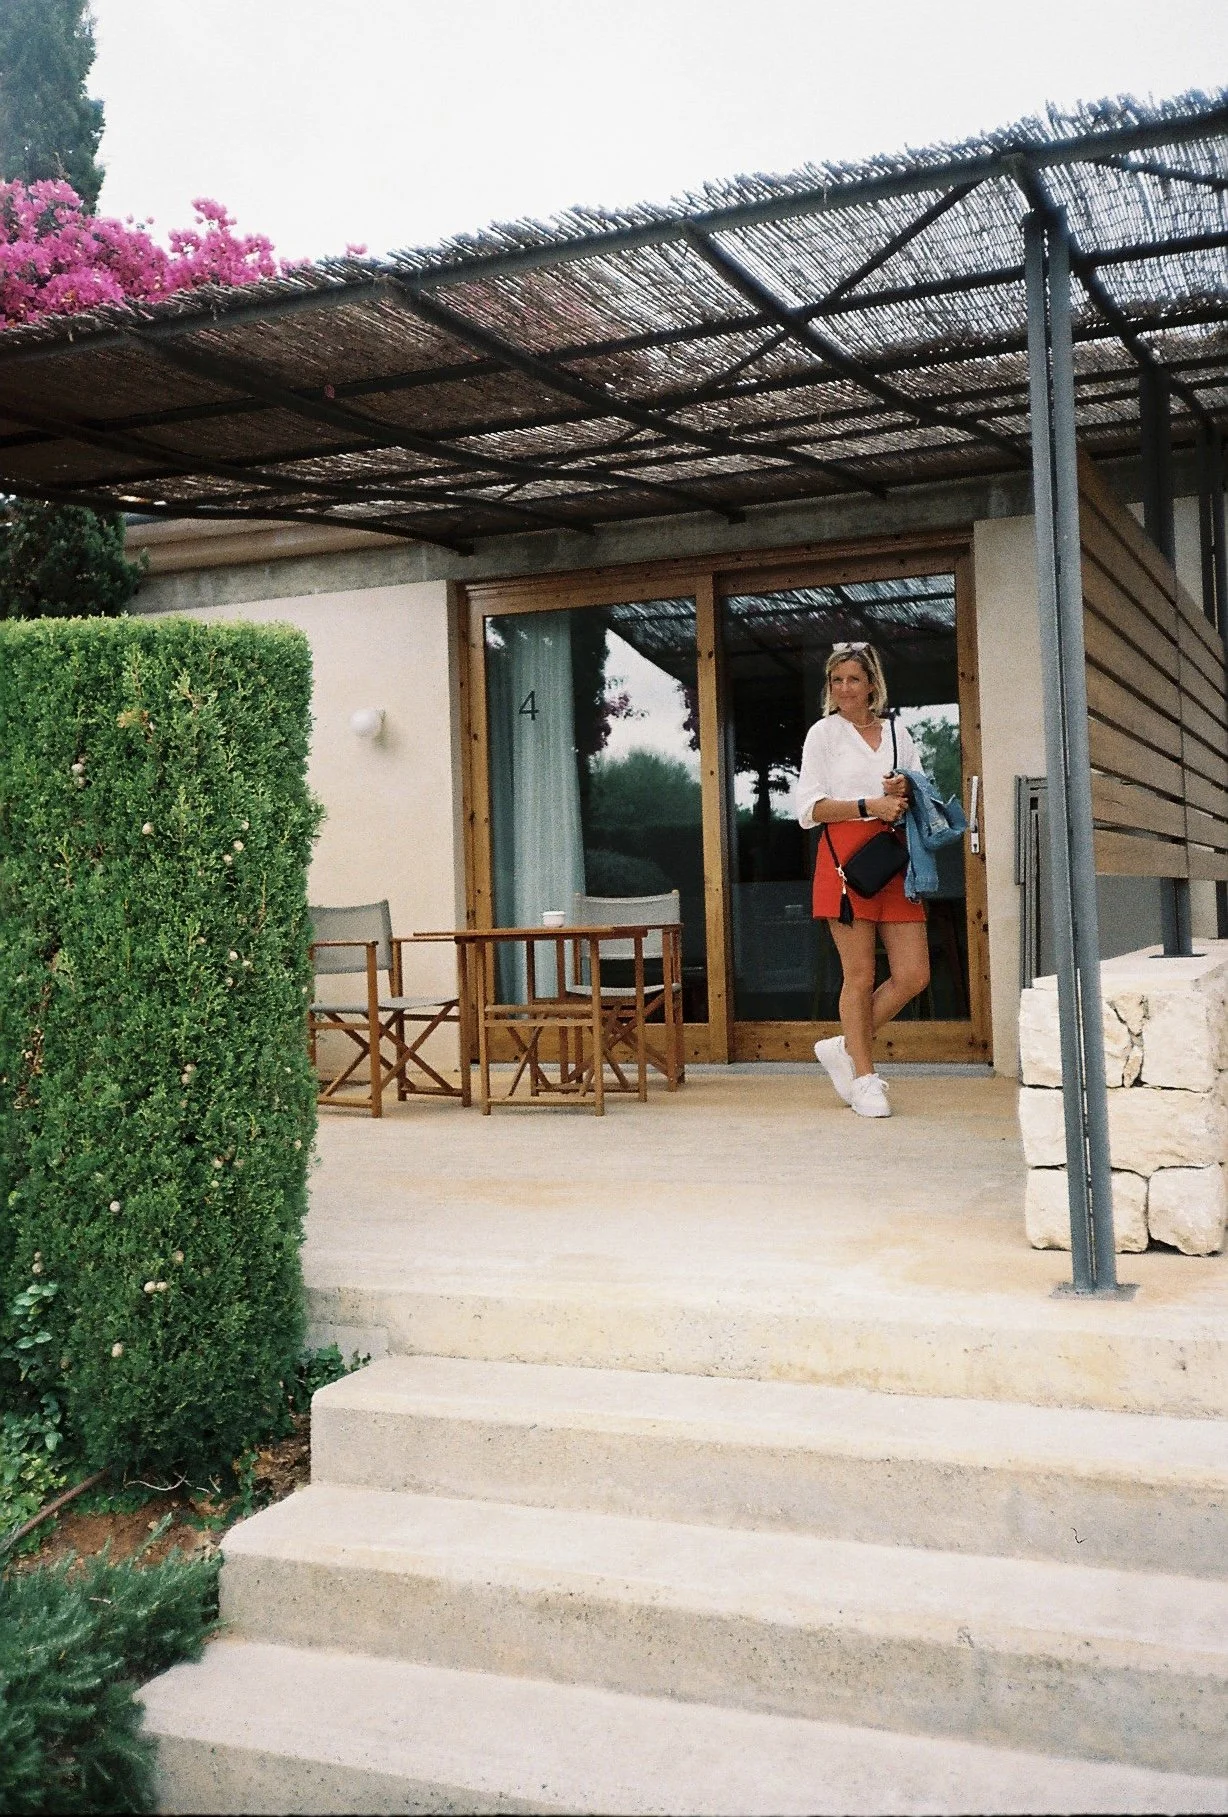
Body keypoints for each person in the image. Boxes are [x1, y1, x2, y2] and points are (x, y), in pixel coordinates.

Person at [796, 641, 930, 1118]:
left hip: (892, 858)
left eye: (853, 679)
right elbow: (809, 809)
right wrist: (868, 804)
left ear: (872, 684)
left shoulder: (897, 731)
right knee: (859, 975)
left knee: (914, 974)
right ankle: (865, 1077)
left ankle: (844, 1045)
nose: (844, 688)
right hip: (845, 859)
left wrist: (903, 788)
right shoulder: (823, 734)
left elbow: (920, 791)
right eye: (836, 680)